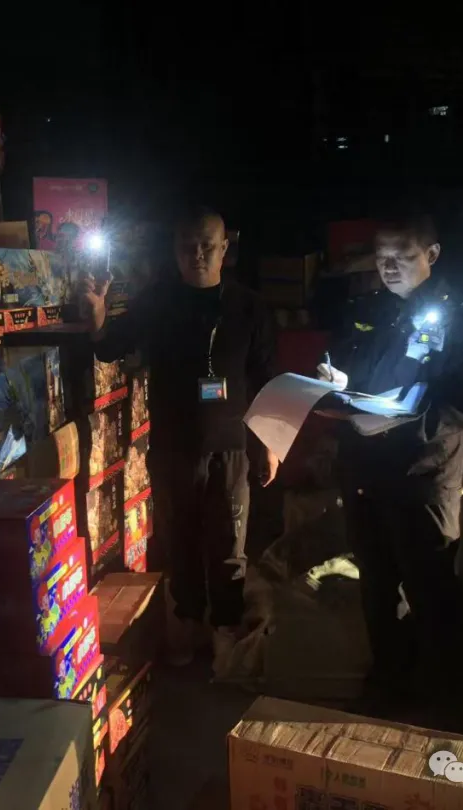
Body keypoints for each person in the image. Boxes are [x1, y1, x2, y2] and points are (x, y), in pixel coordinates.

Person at [80, 206, 279, 672]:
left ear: (225, 248)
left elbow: (267, 379)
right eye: (188, 246)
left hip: (231, 446)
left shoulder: (250, 307)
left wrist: (269, 443)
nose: (198, 254)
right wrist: (97, 313)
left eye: (207, 245)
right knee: (181, 540)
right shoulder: (158, 301)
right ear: (175, 250)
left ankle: (226, 633)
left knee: (229, 545)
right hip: (173, 447)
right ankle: (188, 627)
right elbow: (110, 347)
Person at [317, 209, 463, 732]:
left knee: (431, 588)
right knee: (377, 586)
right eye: (381, 256)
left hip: (423, 475)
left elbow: (462, 405)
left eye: (403, 256)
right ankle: (389, 685)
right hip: (366, 470)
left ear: (431, 255)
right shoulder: (372, 310)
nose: (389, 266)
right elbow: (359, 375)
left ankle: (447, 706)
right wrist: (339, 381)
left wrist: (397, 425)